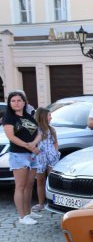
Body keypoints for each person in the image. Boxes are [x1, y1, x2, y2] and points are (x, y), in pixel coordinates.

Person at [3, 91, 41, 225]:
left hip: (32, 155)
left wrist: (34, 144)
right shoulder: (9, 118)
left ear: (24, 102)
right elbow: (12, 137)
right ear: (10, 103)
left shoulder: (29, 116)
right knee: (20, 186)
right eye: (13, 101)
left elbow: (39, 133)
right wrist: (29, 146)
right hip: (18, 155)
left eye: (19, 100)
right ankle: (22, 216)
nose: (16, 103)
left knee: (30, 185)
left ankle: (28, 212)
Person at [32, 107, 60, 212]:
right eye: (49, 115)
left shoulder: (52, 129)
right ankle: (40, 203)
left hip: (52, 157)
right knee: (40, 180)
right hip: (39, 158)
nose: (51, 117)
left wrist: (55, 152)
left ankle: (55, 202)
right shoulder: (35, 130)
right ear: (43, 117)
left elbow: (55, 142)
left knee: (52, 180)